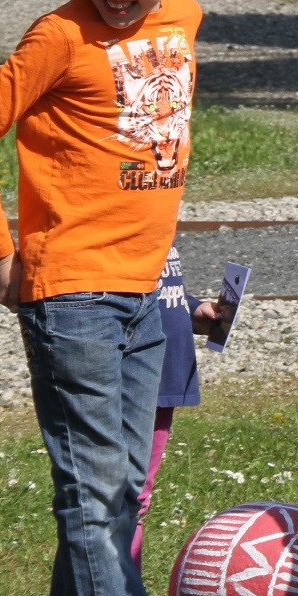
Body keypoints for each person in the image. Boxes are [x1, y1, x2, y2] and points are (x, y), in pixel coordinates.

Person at [0, 0, 239, 596]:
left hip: (143, 292)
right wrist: (0, 247)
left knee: (116, 489)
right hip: (72, 292)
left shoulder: (186, 19)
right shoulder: (58, 37)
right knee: (93, 493)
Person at [131, 246, 217, 574]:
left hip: (161, 371)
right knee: (123, 499)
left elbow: (165, 284)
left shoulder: (157, 204)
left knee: (136, 496)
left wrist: (192, 308)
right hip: (137, 370)